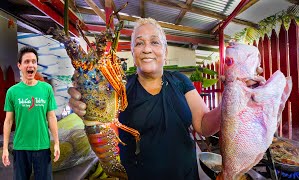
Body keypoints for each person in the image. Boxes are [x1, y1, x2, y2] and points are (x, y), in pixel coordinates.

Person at [68, 18, 263, 179]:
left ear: (165, 51)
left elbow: (204, 126)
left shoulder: (180, 80)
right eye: (139, 43)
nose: (146, 49)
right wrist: (85, 105)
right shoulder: (119, 87)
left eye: (154, 42)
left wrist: (235, 95)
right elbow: (100, 120)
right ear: (133, 53)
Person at [2, 46, 60, 180]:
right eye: (27, 62)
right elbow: (8, 121)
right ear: (19, 65)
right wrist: (5, 148)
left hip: (42, 147)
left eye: (34, 62)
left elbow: (51, 117)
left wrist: (56, 142)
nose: (31, 65)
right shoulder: (12, 92)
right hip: (21, 148)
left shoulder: (46, 89)